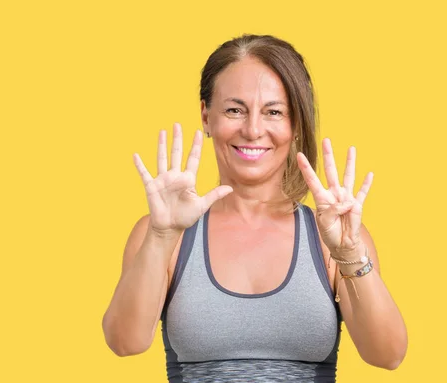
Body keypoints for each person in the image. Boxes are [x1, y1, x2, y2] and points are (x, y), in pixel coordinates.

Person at [102, 34, 407, 382]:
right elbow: (125, 342)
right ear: (206, 116)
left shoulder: (333, 238)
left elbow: (388, 355)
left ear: (295, 125)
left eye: (273, 112)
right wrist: (161, 236)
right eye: (235, 109)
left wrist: (350, 251)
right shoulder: (163, 232)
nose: (253, 129)